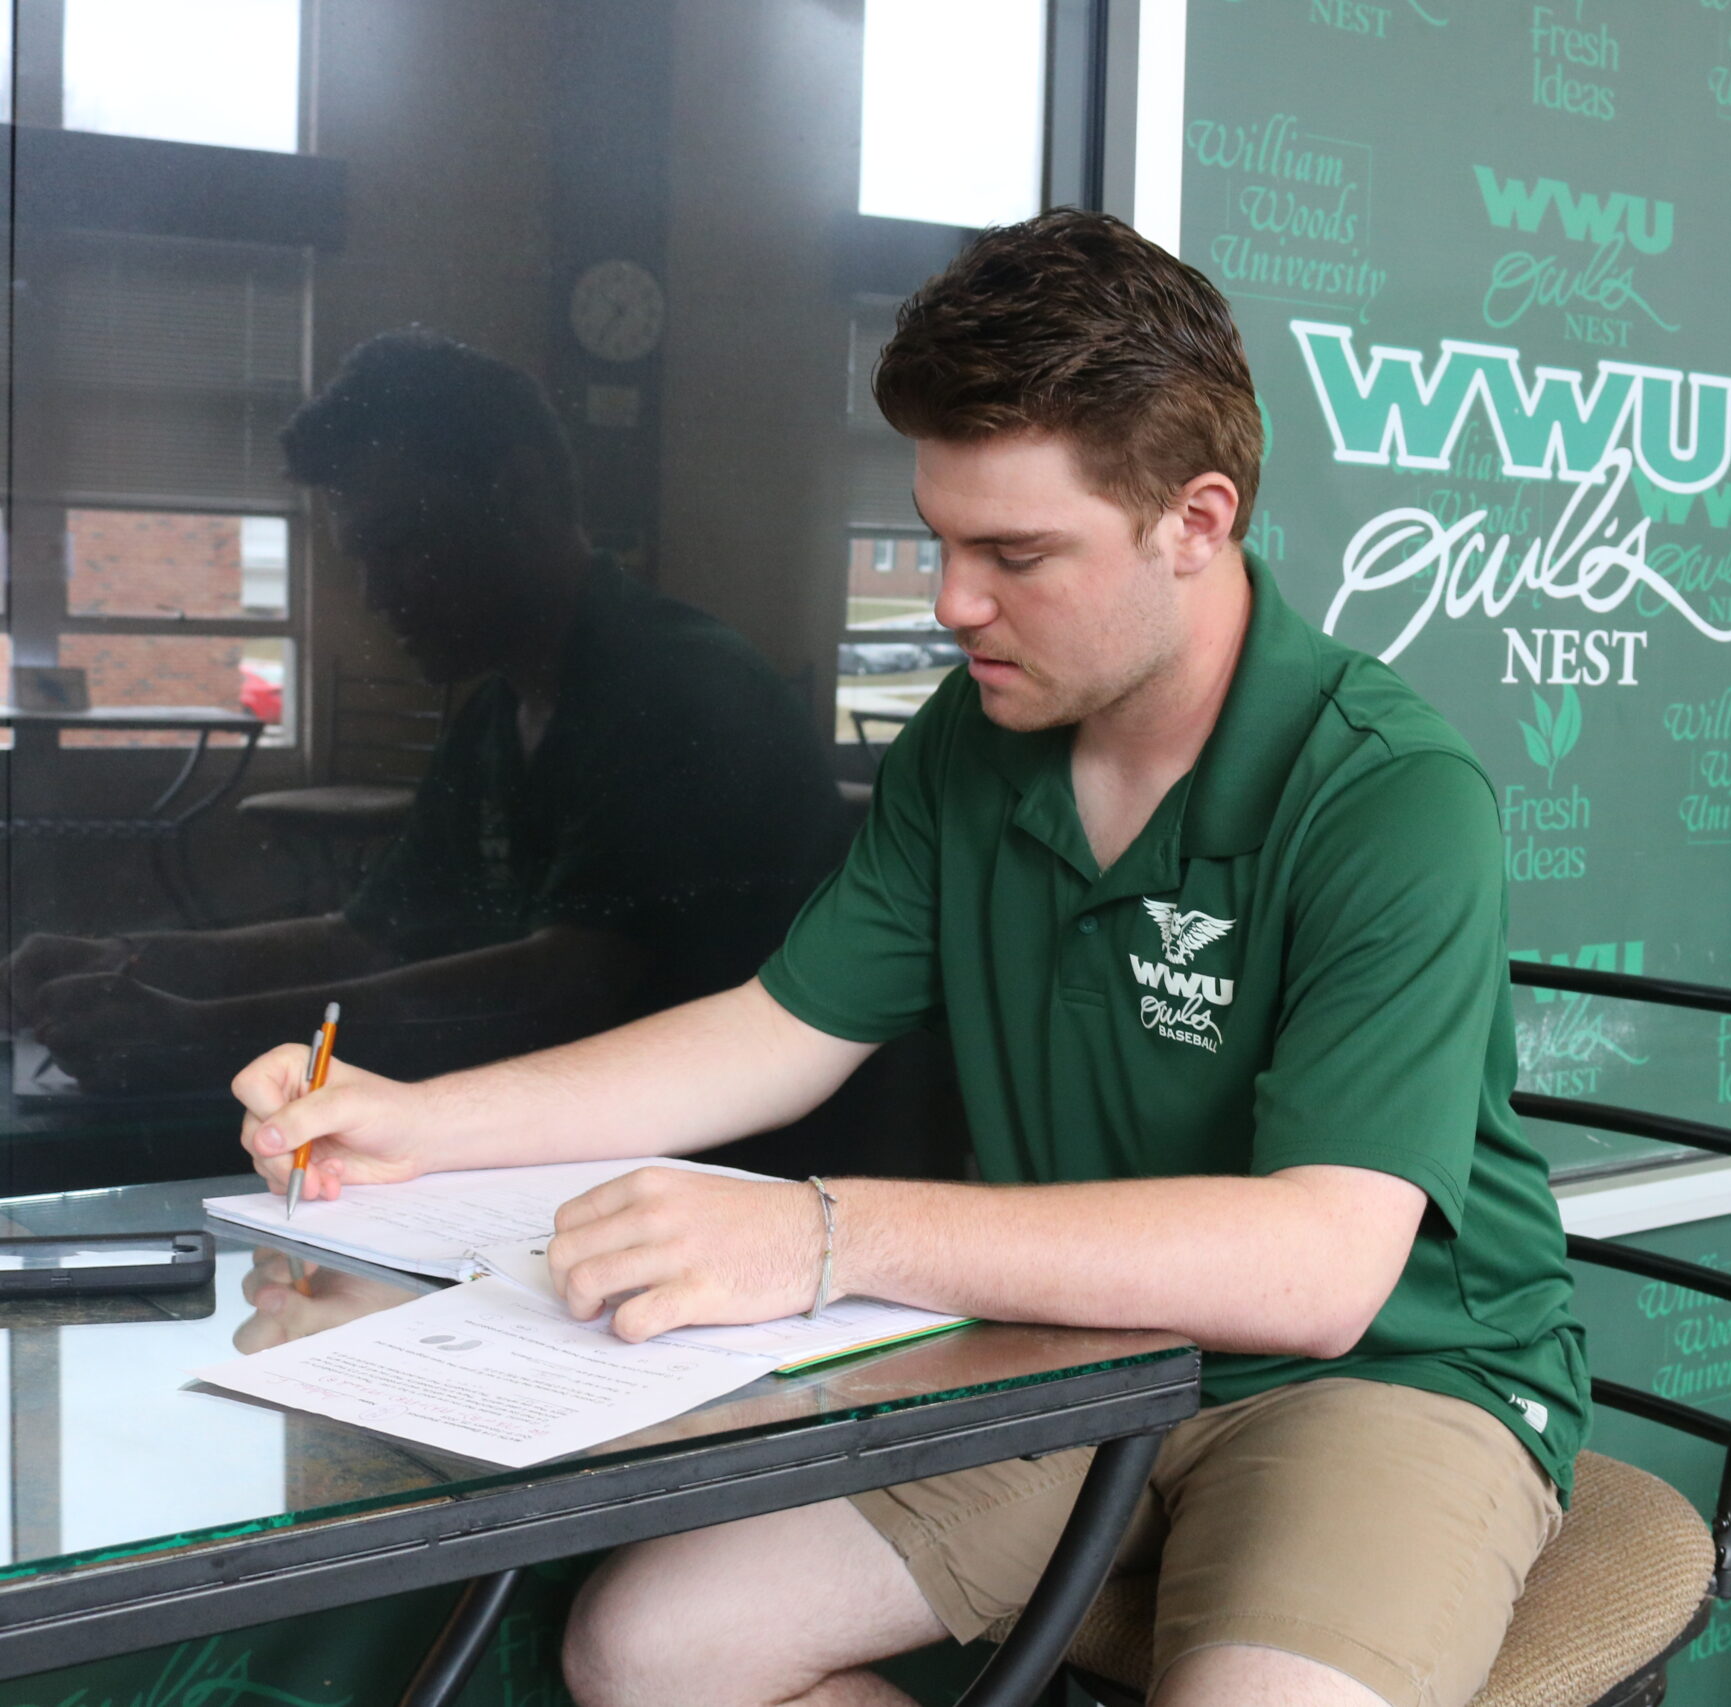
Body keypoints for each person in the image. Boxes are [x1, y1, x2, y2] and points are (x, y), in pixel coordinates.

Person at [233, 211, 1587, 1707]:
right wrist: (421, 1119)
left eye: (1016, 553)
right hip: (1076, 1352)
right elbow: (775, 1029)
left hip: (1382, 1378)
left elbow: (1321, 1266)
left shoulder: (1390, 792)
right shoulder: (972, 740)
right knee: (649, 1652)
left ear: (1195, 522)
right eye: (940, 538)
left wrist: (825, 1236)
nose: (950, 602)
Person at [10, 332, 850, 1094]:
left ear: (519, 493)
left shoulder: (677, 688)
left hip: (742, 1177)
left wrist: (199, 1032)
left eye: (404, 544)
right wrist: (131, 963)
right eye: (363, 558)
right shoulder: (500, 715)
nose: (377, 595)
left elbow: (564, 988)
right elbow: (370, 934)